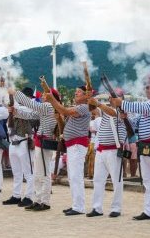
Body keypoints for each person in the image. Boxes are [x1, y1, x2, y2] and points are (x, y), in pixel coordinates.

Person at [111, 76, 150, 225]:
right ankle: (149, 210)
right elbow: (135, 123)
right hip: (145, 145)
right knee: (148, 180)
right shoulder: (147, 103)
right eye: (145, 87)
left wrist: (122, 103)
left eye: (148, 87)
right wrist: (125, 118)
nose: (146, 89)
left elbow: (145, 108)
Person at [45, 85, 93, 216]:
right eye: (76, 91)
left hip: (77, 144)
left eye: (79, 92)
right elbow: (64, 118)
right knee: (73, 176)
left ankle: (79, 207)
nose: (76, 93)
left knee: (76, 176)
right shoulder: (80, 107)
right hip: (72, 144)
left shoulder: (85, 107)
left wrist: (52, 100)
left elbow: (65, 111)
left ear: (86, 96)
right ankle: (76, 205)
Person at [13, 86, 60, 212]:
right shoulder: (46, 107)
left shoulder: (49, 106)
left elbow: (30, 104)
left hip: (45, 142)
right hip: (41, 141)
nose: (42, 96)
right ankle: (38, 200)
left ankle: (45, 201)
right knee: (39, 174)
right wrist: (16, 112)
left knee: (43, 174)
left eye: (45, 94)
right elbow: (31, 115)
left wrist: (15, 92)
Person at [86, 91, 127, 218]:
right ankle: (97, 207)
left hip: (114, 150)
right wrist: (90, 97)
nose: (111, 99)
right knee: (98, 180)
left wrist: (97, 103)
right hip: (101, 150)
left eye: (114, 97)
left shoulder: (123, 111)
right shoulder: (104, 109)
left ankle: (116, 208)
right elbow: (93, 109)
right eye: (110, 97)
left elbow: (113, 113)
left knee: (117, 180)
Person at [2, 87, 39, 207]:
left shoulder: (31, 107)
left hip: (24, 141)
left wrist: (13, 103)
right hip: (13, 142)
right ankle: (16, 195)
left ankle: (29, 197)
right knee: (16, 172)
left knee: (28, 172)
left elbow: (22, 110)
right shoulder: (17, 107)